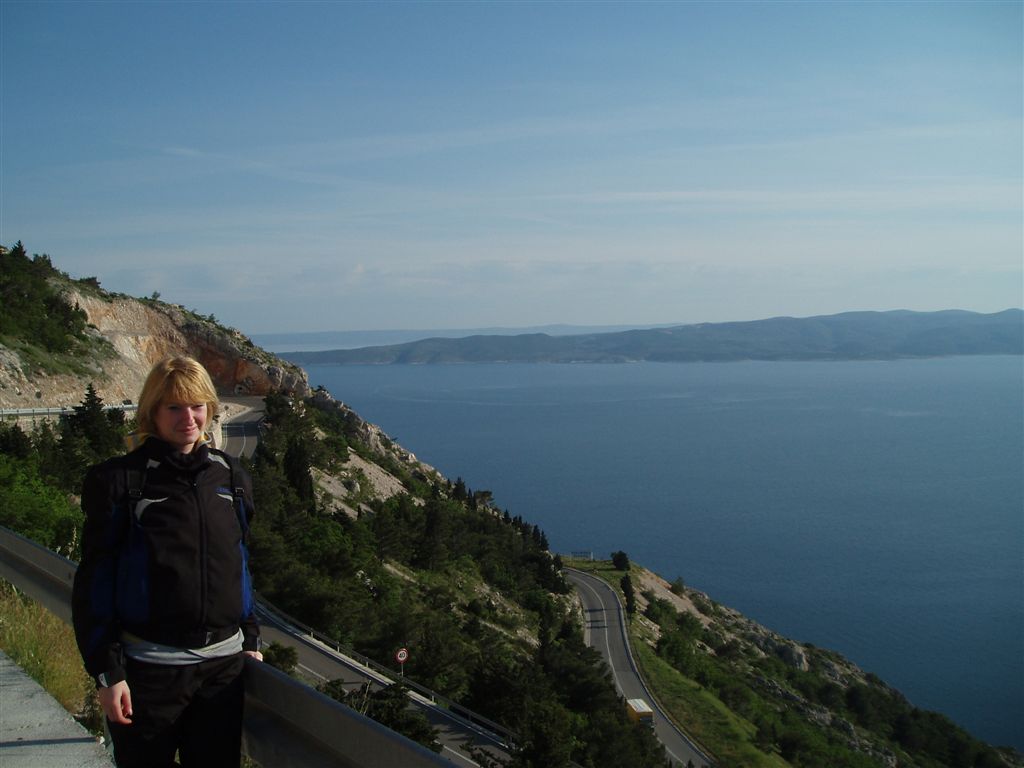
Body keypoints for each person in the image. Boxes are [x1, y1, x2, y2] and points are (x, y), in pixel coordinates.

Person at [72, 356, 262, 768]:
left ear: (210, 409)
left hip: (221, 674)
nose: (188, 418)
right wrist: (108, 672)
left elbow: (238, 562)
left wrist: (250, 637)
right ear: (152, 412)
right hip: (147, 673)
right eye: (174, 407)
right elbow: (94, 582)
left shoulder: (231, 477)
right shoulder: (119, 481)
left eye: (197, 406)